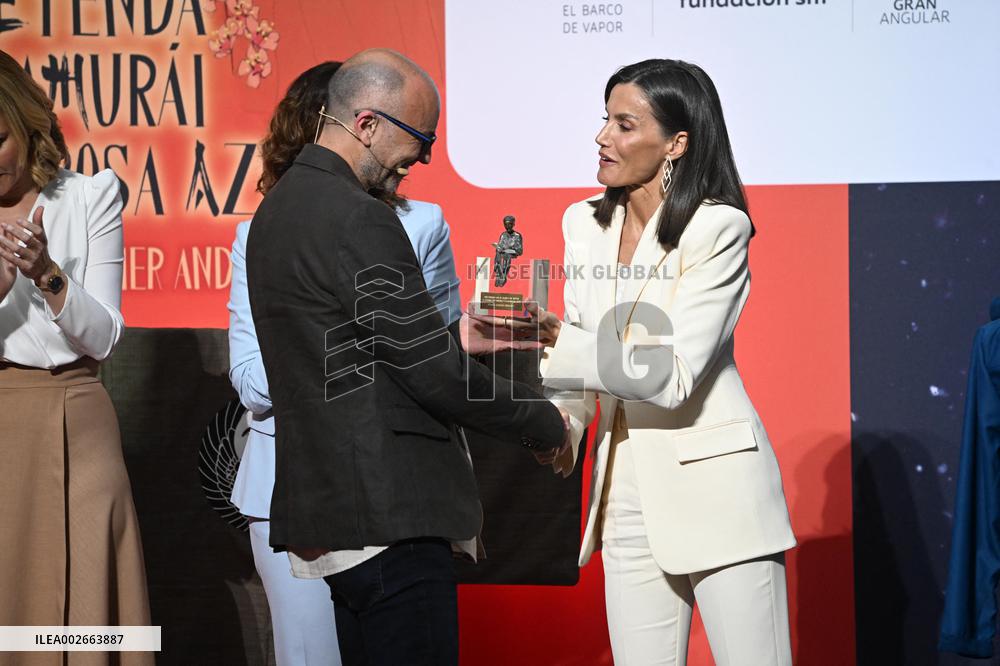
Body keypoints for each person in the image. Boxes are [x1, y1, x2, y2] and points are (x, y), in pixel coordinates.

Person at [244, 48, 567, 666]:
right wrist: (545, 424)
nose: (421, 157)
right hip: (391, 516)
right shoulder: (360, 218)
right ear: (366, 123)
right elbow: (433, 378)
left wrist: (446, 337)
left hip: (338, 518)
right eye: (419, 138)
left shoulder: (276, 213)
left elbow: (353, 354)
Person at [529, 59, 796, 665]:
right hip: (622, 491)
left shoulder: (719, 229)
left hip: (719, 490)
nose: (603, 137)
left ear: (676, 142)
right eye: (605, 120)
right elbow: (580, 359)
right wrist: (563, 429)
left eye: (624, 124)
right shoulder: (582, 224)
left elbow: (672, 375)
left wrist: (555, 340)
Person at [228, 60, 464, 666]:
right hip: (290, 483)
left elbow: (436, 357)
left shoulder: (419, 224)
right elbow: (255, 384)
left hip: (392, 482)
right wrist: (333, 343)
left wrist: (465, 341)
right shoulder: (262, 233)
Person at [0, 50, 152, 665]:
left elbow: (105, 337)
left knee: (85, 601)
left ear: (27, 124)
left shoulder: (89, 197)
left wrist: (46, 274)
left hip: (75, 414)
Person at [491, 215, 522, 287]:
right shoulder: (503, 235)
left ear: (513, 224)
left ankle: (503, 274)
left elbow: (520, 250)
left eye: (510, 224)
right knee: (498, 252)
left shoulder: (517, 236)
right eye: (506, 224)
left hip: (512, 253)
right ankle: (498, 273)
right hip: (503, 252)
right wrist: (499, 247)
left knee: (506, 254)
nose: (507, 226)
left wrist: (509, 249)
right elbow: (501, 245)